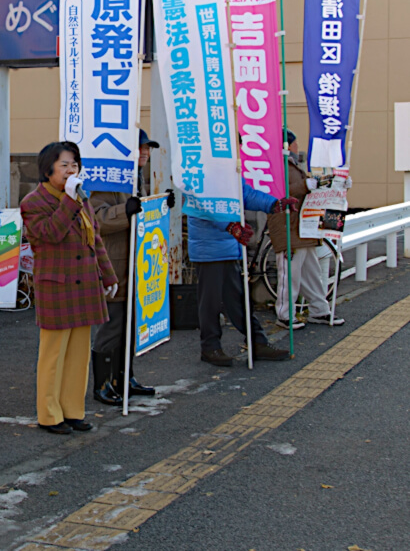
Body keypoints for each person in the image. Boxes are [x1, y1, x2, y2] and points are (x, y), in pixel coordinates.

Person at [20, 141, 118, 434]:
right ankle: (49, 415)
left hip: (85, 283)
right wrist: (70, 201)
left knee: (78, 354)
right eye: (64, 165)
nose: (70, 170)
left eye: (74, 165)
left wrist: (109, 276)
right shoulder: (33, 202)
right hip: (57, 287)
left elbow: (94, 240)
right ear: (47, 169)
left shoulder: (79, 199)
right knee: (53, 355)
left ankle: (73, 410)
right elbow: (50, 233)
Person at [90, 129, 175, 405]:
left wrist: (160, 205)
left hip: (137, 266)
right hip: (115, 267)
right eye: (141, 148)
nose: (145, 153)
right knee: (112, 327)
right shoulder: (108, 180)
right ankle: (102, 384)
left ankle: (124, 378)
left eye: (148, 148)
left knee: (129, 328)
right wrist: (125, 211)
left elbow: (141, 214)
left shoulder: (137, 178)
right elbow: (96, 220)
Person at [189, 179, 298, 366]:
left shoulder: (230, 169)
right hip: (208, 247)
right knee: (210, 302)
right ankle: (210, 346)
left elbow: (245, 194)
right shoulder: (201, 168)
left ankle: (257, 341)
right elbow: (201, 203)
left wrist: (273, 204)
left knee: (238, 299)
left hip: (229, 243)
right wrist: (230, 226)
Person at [268, 129, 345, 329]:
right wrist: (306, 185)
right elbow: (278, 192)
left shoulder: (291, 165)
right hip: (288, 225)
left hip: (302, 227)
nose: (297, 146)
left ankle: (320, 310)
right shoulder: (276, 166)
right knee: (290, 275)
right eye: (294, 142)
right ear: (287, 145)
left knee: (311, 273)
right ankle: (285, 314)